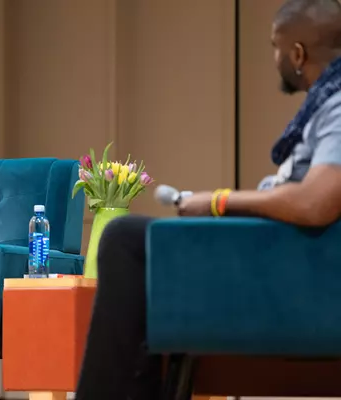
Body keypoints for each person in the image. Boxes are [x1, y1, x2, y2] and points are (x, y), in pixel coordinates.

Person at [74, 0, 341, 399]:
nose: (274, 58)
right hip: (279, 258)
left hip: (290, 271)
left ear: (297, 53)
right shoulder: (326, 104)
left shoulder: (337, 105)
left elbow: (316, 203)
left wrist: (218, 202)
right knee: (137, 247)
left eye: (275, 47)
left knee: (126, 239)